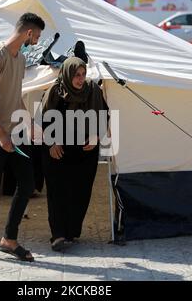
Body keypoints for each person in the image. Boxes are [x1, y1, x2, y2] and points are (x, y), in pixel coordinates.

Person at [0, 13, 45, 262]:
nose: (37, 40)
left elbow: (16, 98)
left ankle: (8, 239)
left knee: (27, 185)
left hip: (16, 134)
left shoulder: (21, 58)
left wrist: (31, 124)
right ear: (28, 33)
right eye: (36, 36)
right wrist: (2, 135)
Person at [42, 57, 109, 252]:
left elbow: (104, 116)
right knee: (58, 192)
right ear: (67, 74)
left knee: (80, 192)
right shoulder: (56, 91)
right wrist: (51, 143)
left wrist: (97, 136)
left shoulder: (93, 90)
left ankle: (70, 231)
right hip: (58, 151)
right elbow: (42, 121)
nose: (80, 79)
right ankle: (58, 234)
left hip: (85, 151)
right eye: (76, 75)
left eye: (83, 74)